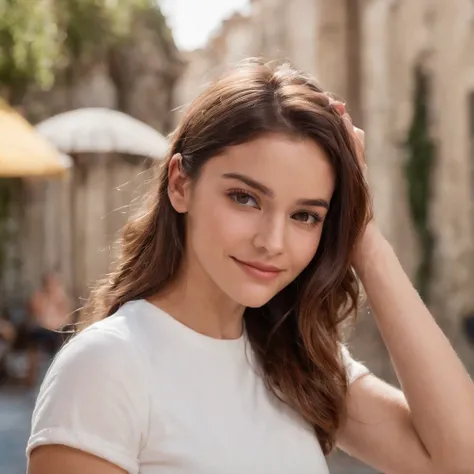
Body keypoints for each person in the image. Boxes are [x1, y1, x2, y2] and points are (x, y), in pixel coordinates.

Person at [27, 60, 474, 474]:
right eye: (245, 198)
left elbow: (460, 459)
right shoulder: (108, 367)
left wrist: (366, 240)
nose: (272, 242)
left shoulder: (298, 363)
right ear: (180, 184)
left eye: (306, 215)